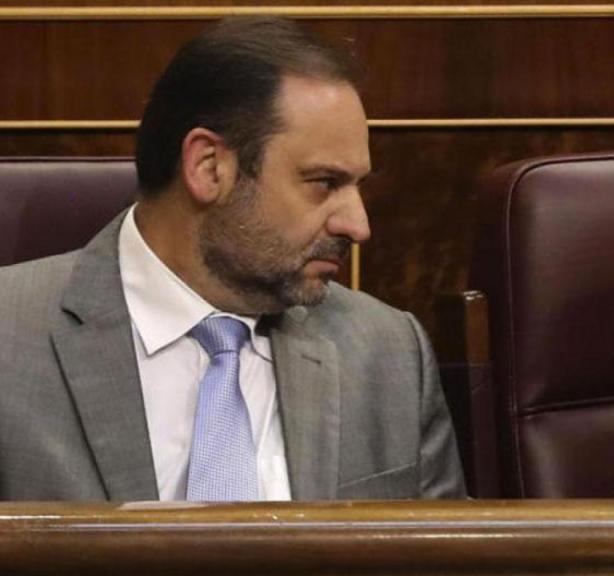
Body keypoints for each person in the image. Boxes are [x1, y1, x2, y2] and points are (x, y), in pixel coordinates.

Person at [0, 17, 465, 501]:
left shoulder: (387, 354)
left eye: (356, 186)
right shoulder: (10, 340)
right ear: (209, 167)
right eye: (325, 183)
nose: (358, 225)